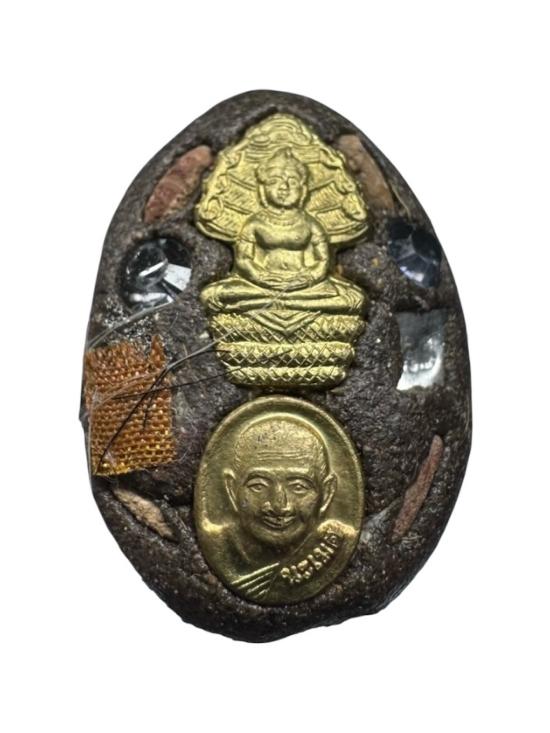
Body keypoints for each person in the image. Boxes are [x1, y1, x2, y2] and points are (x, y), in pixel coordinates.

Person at [201, 414, 356, 603]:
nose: (279, 506)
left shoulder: (341, 541)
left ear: (328, 492)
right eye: (258, 486)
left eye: (298, 486)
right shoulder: (217, 544)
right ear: (232, 490)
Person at [200, 147, 365, 316]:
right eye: (274, 181)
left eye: (292, 182)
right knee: (211, 295)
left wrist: (307, 278)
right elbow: (243, 260)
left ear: (303, 189)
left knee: (354, 299)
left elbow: (323, 261)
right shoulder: (253, 224)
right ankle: (294, 307)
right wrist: (262, 277)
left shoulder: (311, 224)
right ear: (262, 189)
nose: (284, 187)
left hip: (306, 286)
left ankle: (269, 307)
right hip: (259, 284)